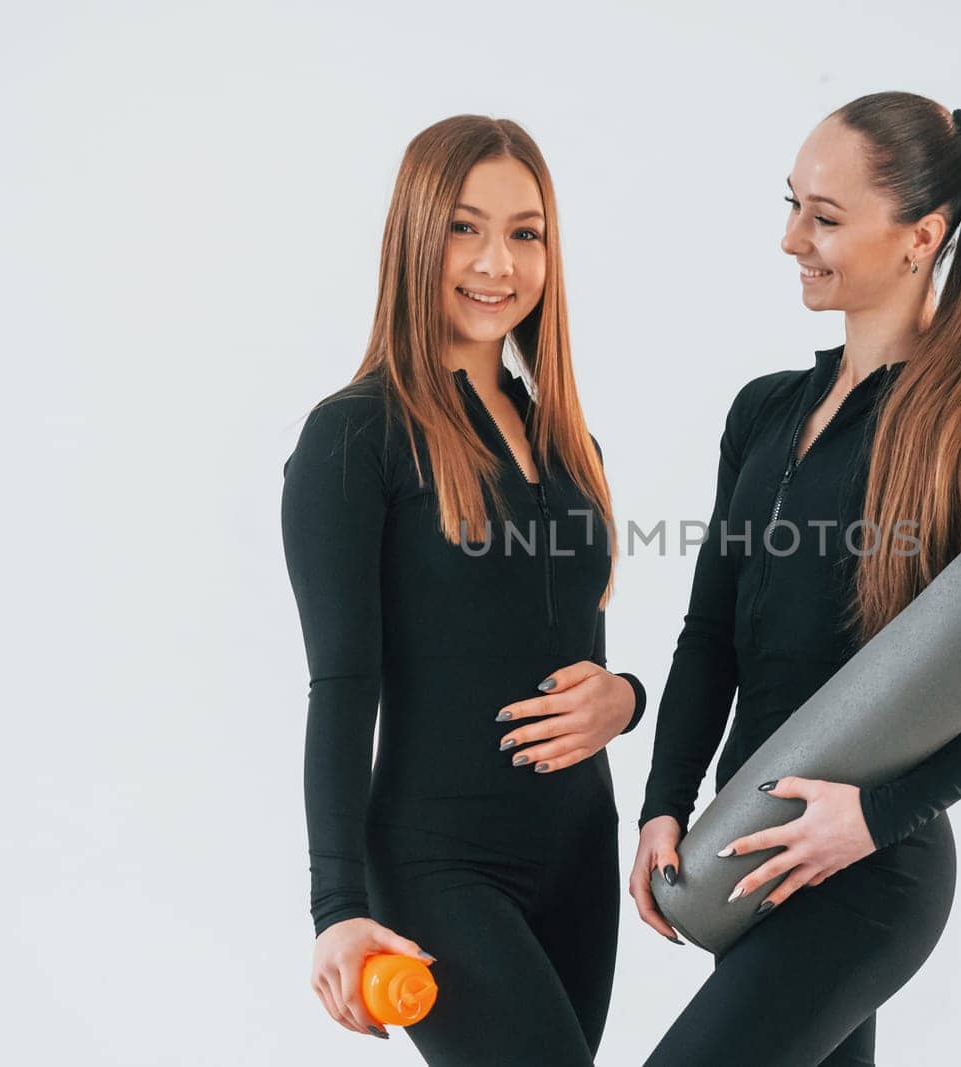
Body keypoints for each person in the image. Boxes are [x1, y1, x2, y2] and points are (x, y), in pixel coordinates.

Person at [629, 93, 961, 1065]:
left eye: (823, 217)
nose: (791, 239)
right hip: (747, 861)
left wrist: (869, 817)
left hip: (871, 878)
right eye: (791, 205)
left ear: (921, 237)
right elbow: (710, 635)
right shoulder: (763, 413)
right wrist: (665, 802)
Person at [281, 114, 647, 1065]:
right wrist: (337, 907)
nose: (497, 262)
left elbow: (582, 661)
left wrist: (627, 699)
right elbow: (340, 683)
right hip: (439, 865)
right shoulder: (354, 438)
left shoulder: (572, 446)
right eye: (464, 227)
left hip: (579, 858)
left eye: (525, 232)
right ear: (415, 233)